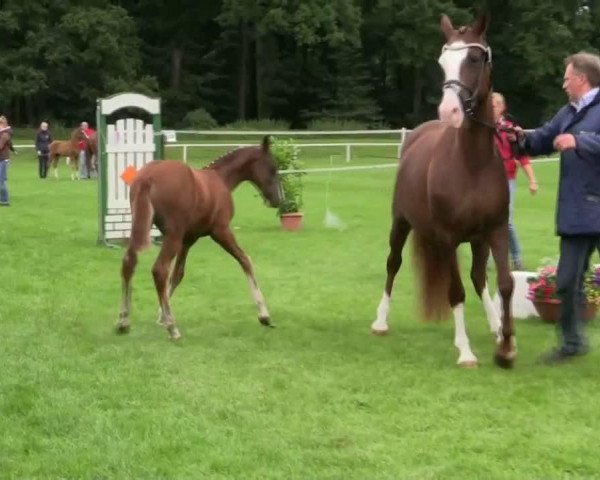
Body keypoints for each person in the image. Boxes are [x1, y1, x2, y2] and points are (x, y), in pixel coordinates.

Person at [511, 51, 600, 364]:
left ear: (581, 78)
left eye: (566, 78)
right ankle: (573, 344)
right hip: (579, 213)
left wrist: (581, 143)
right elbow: (543, 139)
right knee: (566, 281)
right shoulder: (568, 112)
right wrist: (517, 137)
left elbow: (577, 142)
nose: (563, 84)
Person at [492, 92, 538, 271]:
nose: (491, 108)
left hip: (507, 179)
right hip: (487, 182)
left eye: (494, 105)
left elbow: (522, 157)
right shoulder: (482, 129)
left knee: (507, 221)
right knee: (486, 220)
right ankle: (489, 258)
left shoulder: (510, 129)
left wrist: (532, 180)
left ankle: (517, 258)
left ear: (502, 108)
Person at [0, 115, 14, 206]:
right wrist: (14, 150)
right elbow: (10, 144)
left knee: (2, 180)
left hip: (3, 160)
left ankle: (5, 201)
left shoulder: (5, 134)